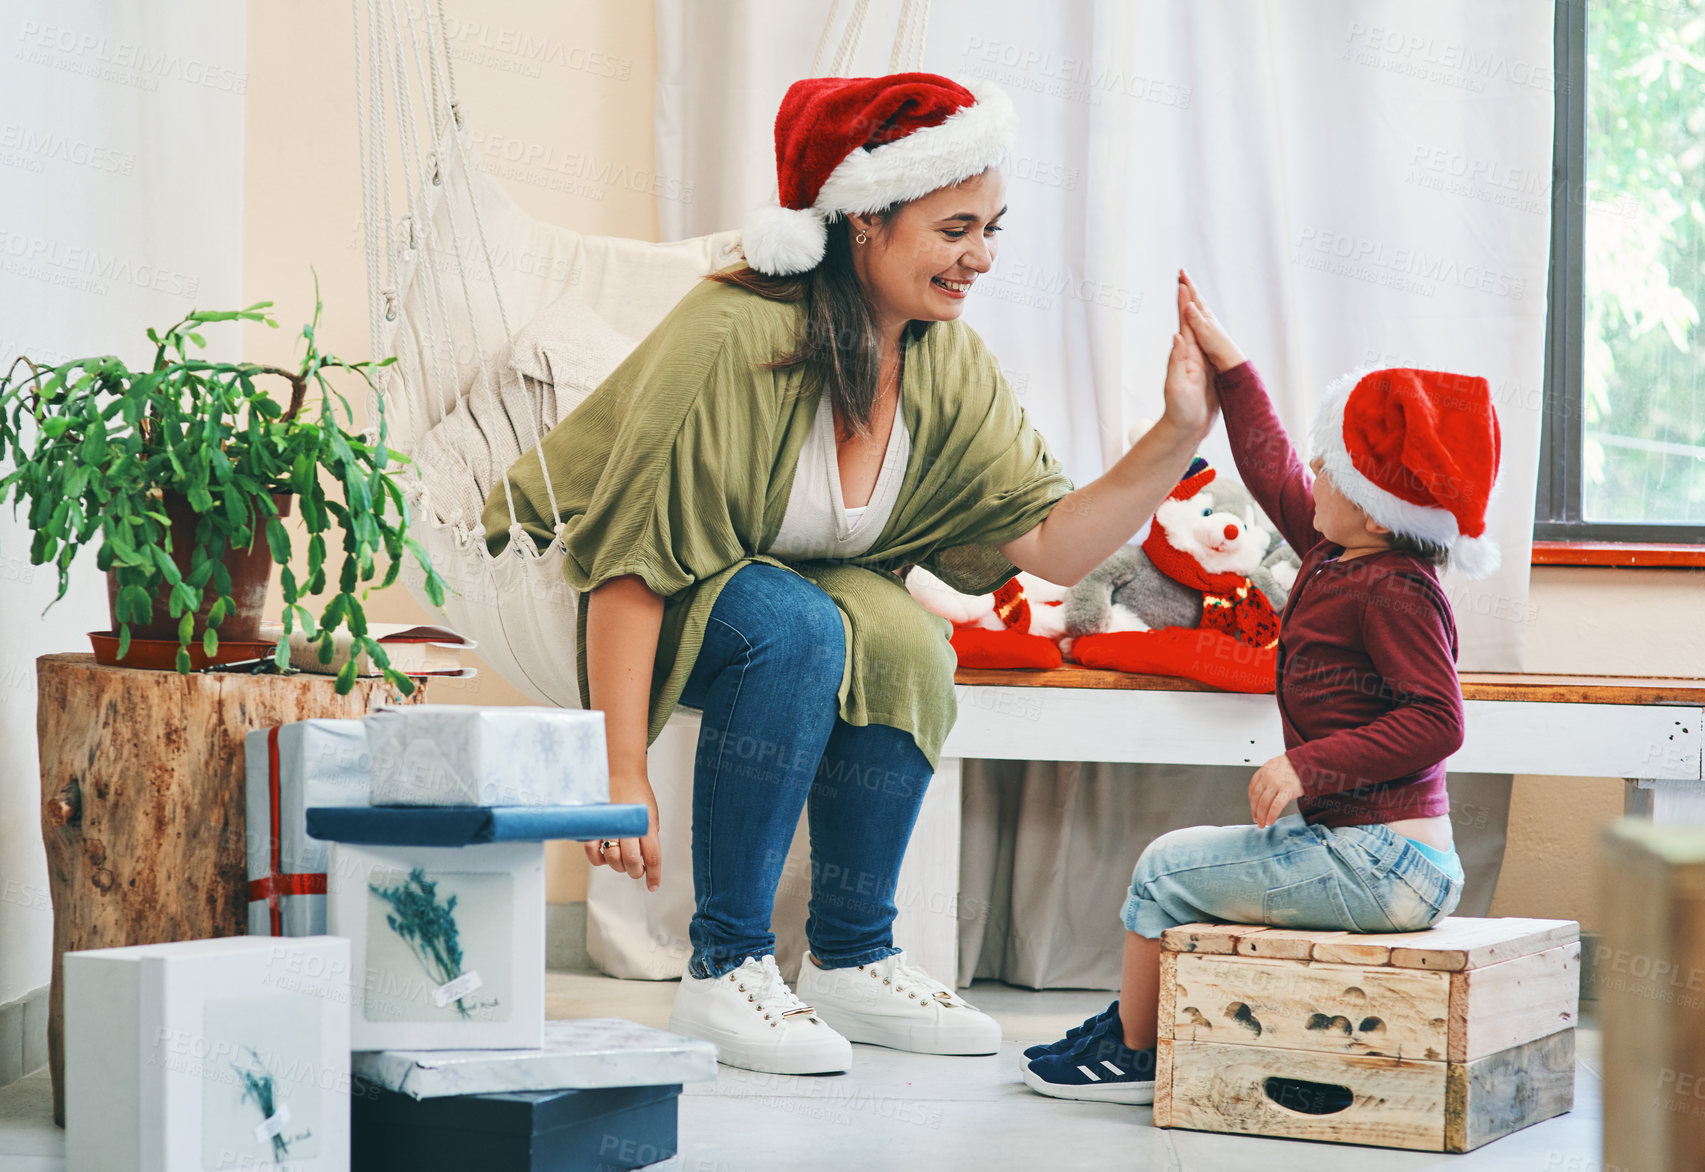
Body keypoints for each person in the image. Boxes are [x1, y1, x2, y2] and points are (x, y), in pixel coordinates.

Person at [484, 73, 1219, 1076]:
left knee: (909, 634)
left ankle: (849, 953)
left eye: (993, 226)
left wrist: (1178, 431)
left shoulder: (943, 358)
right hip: (587, 570)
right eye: (956, 226)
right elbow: (631, 563)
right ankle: (725, 963)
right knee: (796, 624)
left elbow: (1052, 541)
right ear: (865, 219)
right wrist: (621, 779)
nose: (982, 256)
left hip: (771, 584)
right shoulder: (735, 336)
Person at [1022, 275, 1503, 1104]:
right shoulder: (1334, 551)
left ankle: (1134, 1053)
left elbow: (1437, 719)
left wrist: (1307, 769)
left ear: (1381, 511)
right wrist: (1231, 365)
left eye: (1337, 466)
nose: (1313, 470)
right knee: (1181, 870)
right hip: (1374, 855)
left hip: (1388, 865)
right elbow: (1271, 458)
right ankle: (1137, 1025)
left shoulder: (1395, 587)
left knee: (1160, 870)